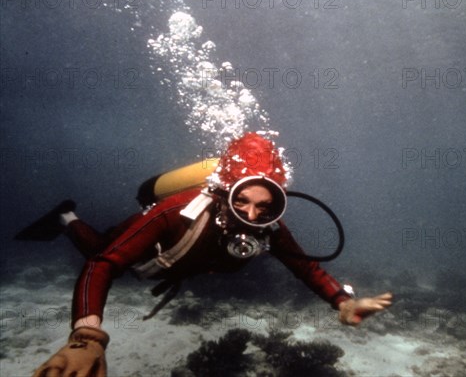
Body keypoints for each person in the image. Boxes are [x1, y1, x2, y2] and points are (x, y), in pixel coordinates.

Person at [23, 132, 392, 377]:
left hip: (175, 267)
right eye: (241, 202)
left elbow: (306, 268)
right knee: (98, 246)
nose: (251, 216)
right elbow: (102, 265)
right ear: (224, 194)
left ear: (278, 202)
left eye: (265, 207)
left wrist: (342, 302)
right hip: (148, 247)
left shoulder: (270, 228)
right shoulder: (175, 211)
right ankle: (66, 215)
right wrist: (87, 338)